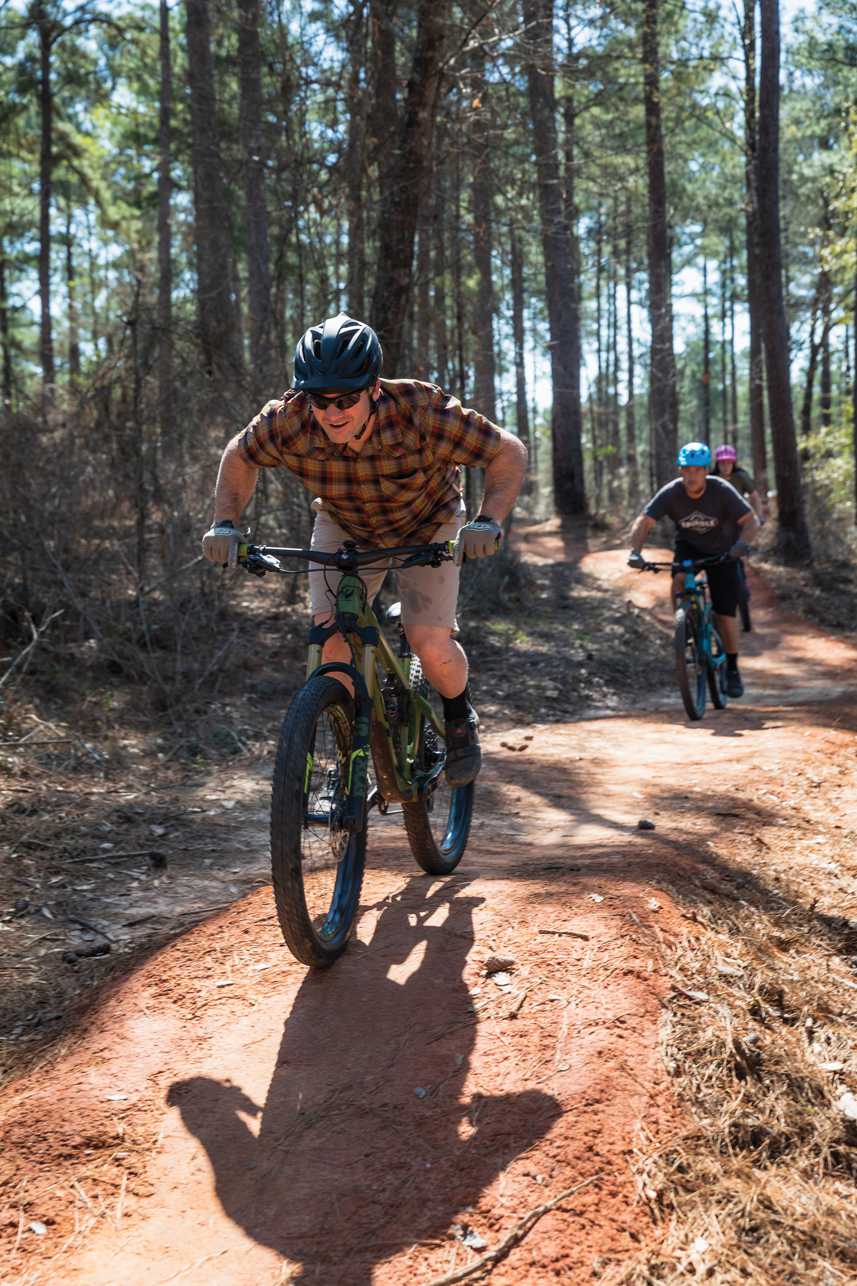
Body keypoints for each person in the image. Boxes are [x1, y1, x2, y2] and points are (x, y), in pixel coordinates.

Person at [201, 312, 528, 786]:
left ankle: (459, 718)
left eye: (347, 399)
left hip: (428, 522)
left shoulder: (419, 410)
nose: (333, 413)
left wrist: (487, 520)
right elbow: (239, 454)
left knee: (427, 639)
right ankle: (350, 750)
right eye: (320, 400)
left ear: (373, 388)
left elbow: (507, 450)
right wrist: (225, 526)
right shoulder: (290, 420)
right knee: (330, 636)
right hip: (346, 522)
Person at [627, 441, 760, 698]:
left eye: (697, 470)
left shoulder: (721, 490)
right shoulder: (672, 492)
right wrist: (635, 551)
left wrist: (742, 545)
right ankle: (684, 624)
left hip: (724, 551)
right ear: (680, 470)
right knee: (678, 577)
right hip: (689, 547)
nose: (692, 475)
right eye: (687, 469)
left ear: (706, 471)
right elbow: (644, 522)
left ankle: (732, 667)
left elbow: (751, 521)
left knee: (724, 614)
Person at [712, 443, 766, 524]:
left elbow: (755, 497)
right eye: (722, 463)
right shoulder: (711, 479)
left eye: (729, 463)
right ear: (717, 464)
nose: (725, 466)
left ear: (733, 463)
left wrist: (760, 516)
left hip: (739, 518)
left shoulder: (741, 477)